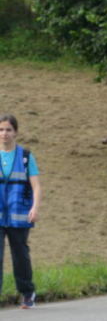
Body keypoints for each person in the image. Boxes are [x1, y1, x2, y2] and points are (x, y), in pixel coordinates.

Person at [0, 114, 41, 309]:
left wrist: (35, 208)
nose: (4, 133)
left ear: (15, 132)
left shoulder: (25, 157)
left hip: (19, 215)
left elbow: (36, 186)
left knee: (20, 256)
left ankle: (27, 293)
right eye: (1, 130)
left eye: (8, 129)